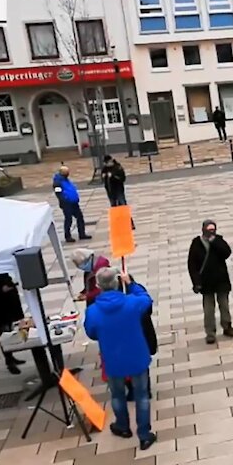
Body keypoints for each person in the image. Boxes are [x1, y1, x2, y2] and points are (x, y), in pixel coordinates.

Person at [84, 267, 157, 449]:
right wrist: (131, 284)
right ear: (118, 282)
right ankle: (144, 434)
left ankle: (123, 426)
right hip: (137, 355)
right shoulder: (132, 303)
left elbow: (91, 333)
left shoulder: (93, 311)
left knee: (117, 395)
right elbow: (147, 299)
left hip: (113, 359)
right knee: (141, 396)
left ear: (98, 286)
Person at [187, 220, 233, 345]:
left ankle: (227, 326)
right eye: (209, 229)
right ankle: (210, 332)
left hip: (221, 280)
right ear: (203, 229)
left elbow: (226, 253)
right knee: (209, 309)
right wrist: (196, 282)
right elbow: (192, 265)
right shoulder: (196, 244)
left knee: (224, 305)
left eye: (213, 229)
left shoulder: (218, 240)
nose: (211, 232)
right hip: (206, 282)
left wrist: (214, 241)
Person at [53, 166, 90, 242]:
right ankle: (68, 236)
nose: (68, 174)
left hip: (73, 202)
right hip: (67, 204)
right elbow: (58, 193)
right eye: (66, 172)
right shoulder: (58, 182)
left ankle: (82, 234)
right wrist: (65, 200)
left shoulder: (66, 180)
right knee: (68, 219)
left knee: (80, 217)